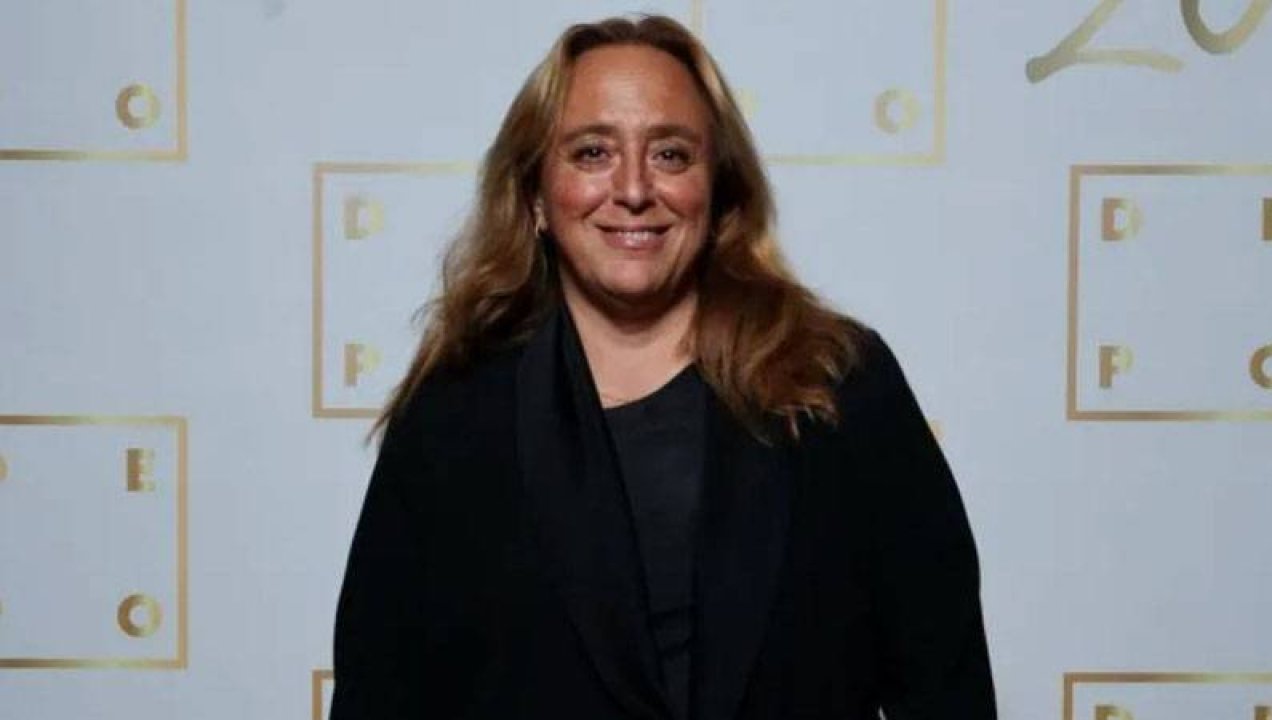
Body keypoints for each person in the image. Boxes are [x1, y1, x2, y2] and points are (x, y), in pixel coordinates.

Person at [330, 13, 995, 720]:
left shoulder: (838, 384)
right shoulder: (454, 419)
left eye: (671, 154)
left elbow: (946, 687)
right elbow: (380, 698)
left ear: (719, 190)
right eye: (592, 152)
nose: (634, 189)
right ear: (535, 197)